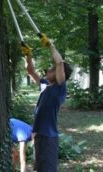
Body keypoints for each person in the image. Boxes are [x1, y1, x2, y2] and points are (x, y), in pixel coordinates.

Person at [23, 41, 73, 172]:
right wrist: (28, 55)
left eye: (52, 69)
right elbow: (30, 71)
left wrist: (51, 46)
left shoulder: (59, 89)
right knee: (39, 168)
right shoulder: (45, 85)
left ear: (59, 74)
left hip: (49, 137)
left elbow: (59, 63)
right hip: (39, 135)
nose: (49, 69)